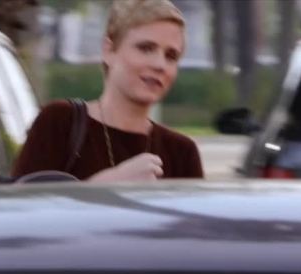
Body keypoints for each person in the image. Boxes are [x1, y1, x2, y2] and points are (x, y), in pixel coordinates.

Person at [12, 0, 204, 182]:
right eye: (145, 48)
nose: (159, 64)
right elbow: (21, 203)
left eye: (171, 56)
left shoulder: (182, 152)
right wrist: (105, 184)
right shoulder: (59, 122)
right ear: (109, 51)